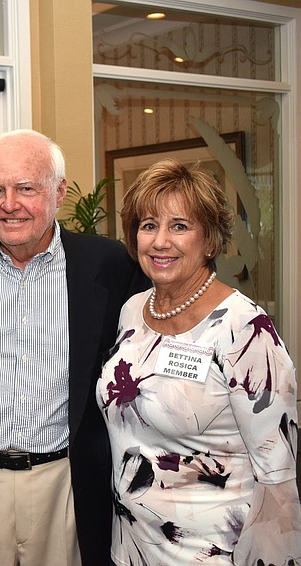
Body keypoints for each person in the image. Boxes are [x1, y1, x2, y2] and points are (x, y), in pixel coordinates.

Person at [0, 129, 150, 566]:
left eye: (26, 188)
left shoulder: (107, 264)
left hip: (67, 483)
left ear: (58, 192)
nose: (9, 204)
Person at [97, 159, 301, 565]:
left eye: (179, 226)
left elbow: (278, 476)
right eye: (149, 224)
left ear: (209, 241)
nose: (160, 241)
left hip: (213, 551)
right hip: (132, 545)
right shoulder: (133, 311)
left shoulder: (246, 330)